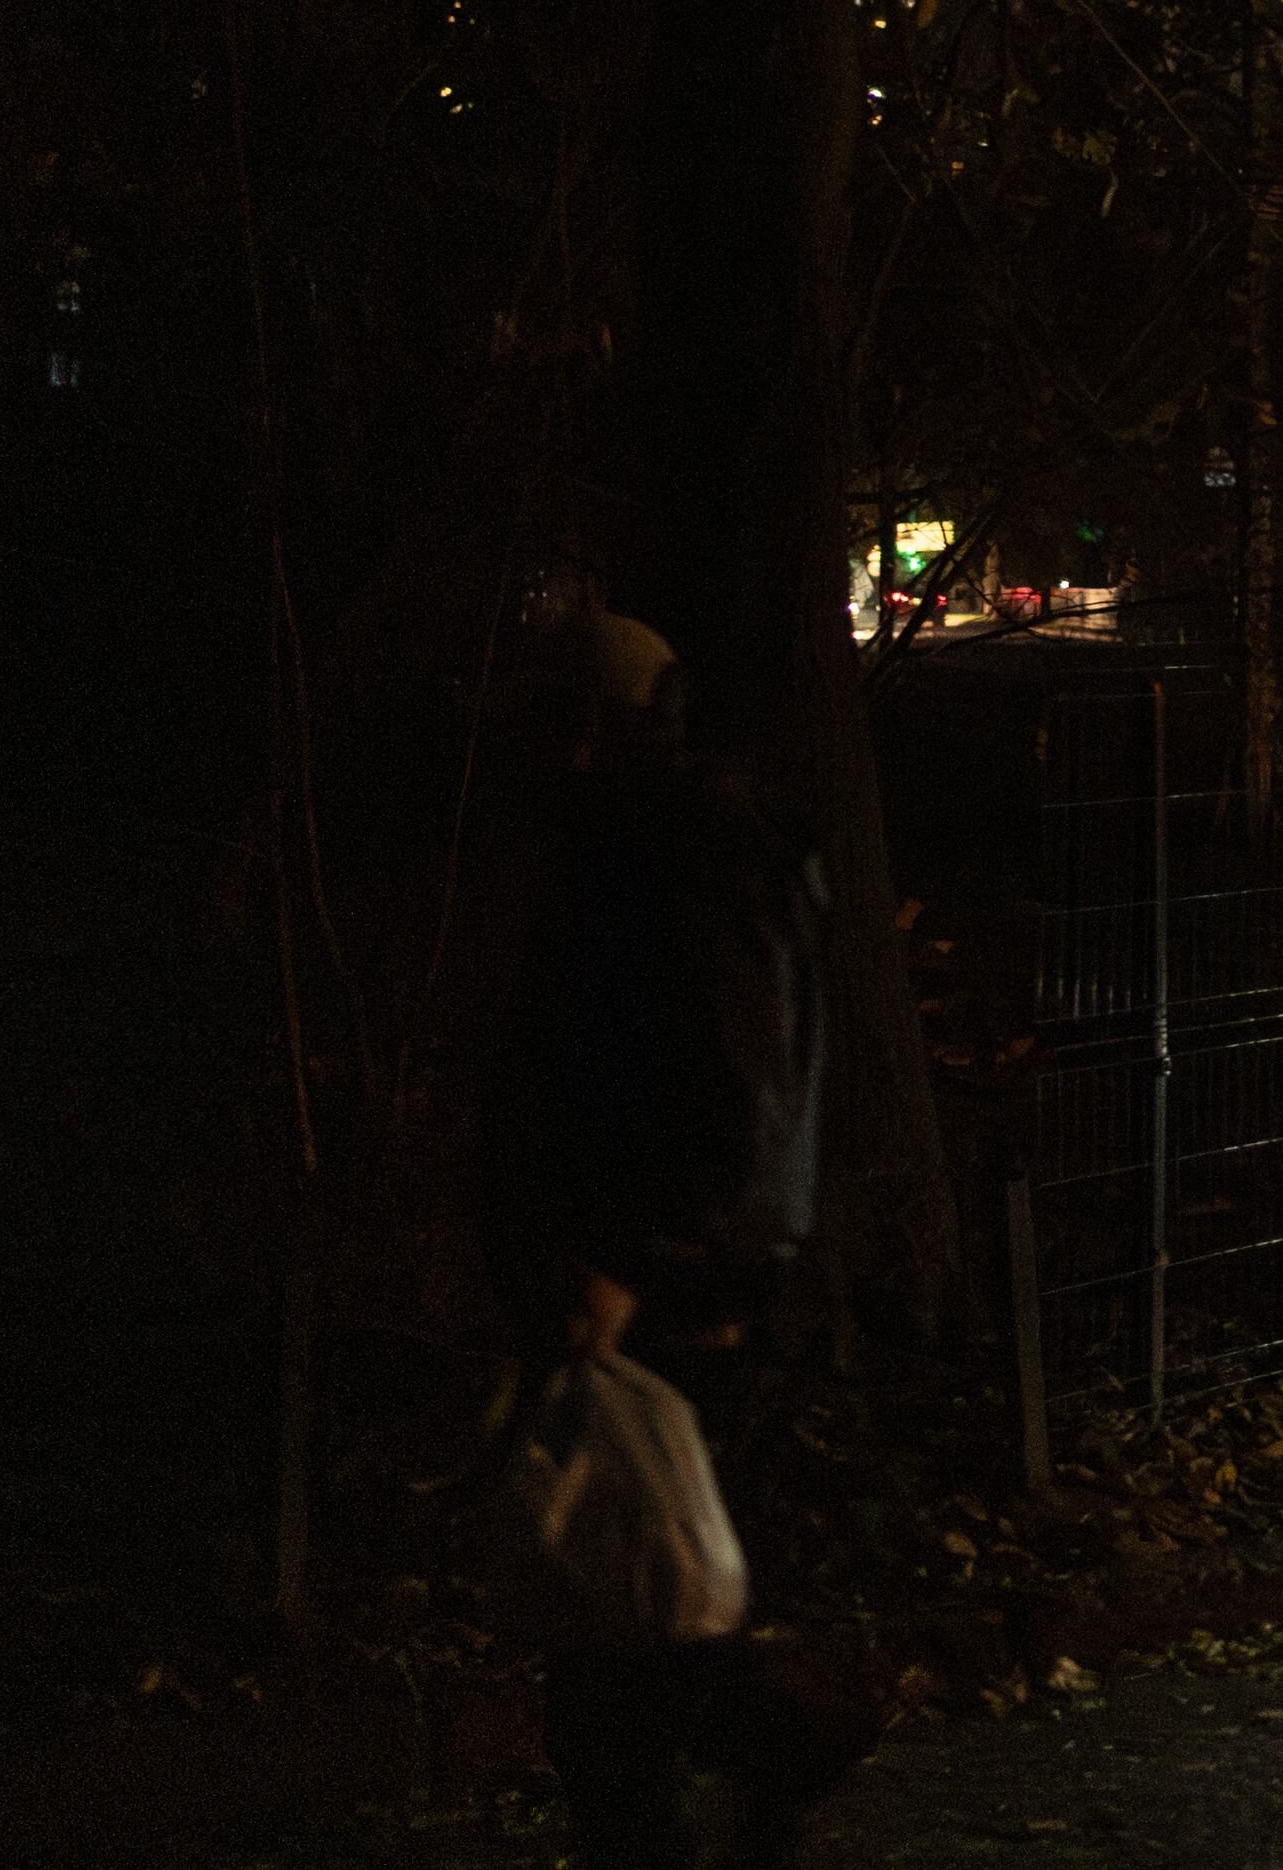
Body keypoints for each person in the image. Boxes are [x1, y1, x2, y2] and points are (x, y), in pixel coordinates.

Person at [479, 587, 872, 1870]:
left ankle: (792, 1741)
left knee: (627, 1647)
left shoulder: (679, 848)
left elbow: (731, 1087)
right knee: (634, 1623)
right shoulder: (659, 839)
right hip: (663, 1280)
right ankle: (769, 1769)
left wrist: (639, 1265)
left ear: (598, 720)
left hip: (673, 1294)